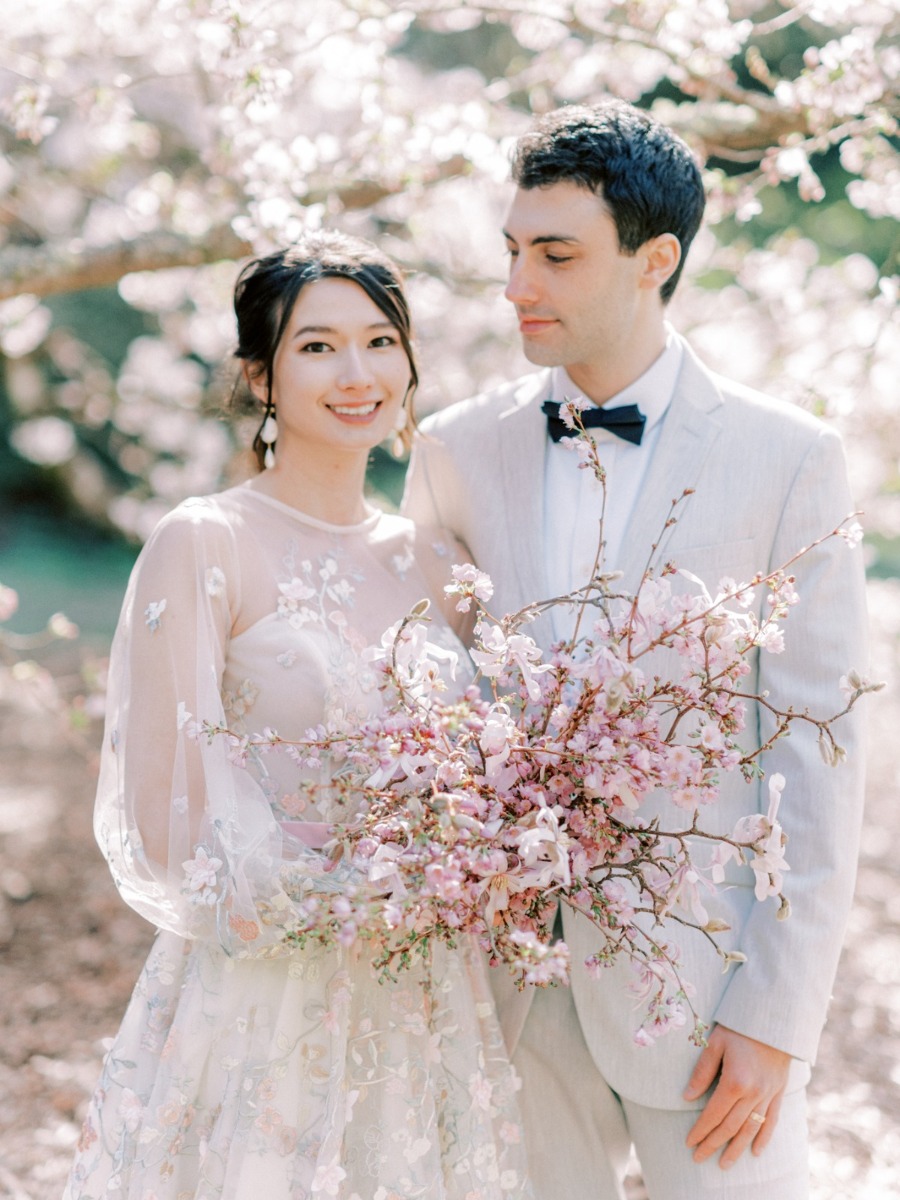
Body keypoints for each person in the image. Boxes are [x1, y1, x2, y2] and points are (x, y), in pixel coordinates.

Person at [402, 99, 868, 1199]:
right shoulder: (454, 449)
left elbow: (821, 761)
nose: (518, 285)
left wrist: (775, 1013)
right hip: (507, 987)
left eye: (555, 256)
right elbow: (437, 694)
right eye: (513, 251)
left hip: (707, 994)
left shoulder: (790, 458)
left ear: (656, 258)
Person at [65, 233, 531, 1200]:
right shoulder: (207, 542)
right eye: (317, 346)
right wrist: (331, 898)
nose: (356, 373)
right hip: (264, 990)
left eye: (379, 342)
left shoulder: (437, 563)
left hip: (422, 987)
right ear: (259, 375)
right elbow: (164, 816)